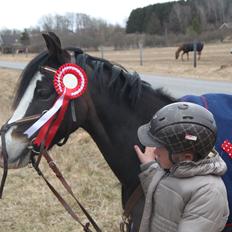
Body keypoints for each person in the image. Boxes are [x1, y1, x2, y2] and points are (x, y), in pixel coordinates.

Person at [134, 102, 229, 232]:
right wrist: (149, 166)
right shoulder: (173, 169)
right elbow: (164, 190)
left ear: (186, 158)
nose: (155, 152)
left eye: (160, 147)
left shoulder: (208, 193)